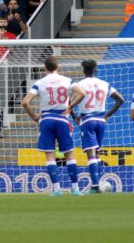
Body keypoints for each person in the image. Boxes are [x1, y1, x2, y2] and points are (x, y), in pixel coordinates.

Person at [21, 56, 86, 196]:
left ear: (45, 68)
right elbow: (82, 93)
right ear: (58, 67)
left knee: (50, 155)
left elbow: (25, 102)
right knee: (69, 154)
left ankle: (56, 189)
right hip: (62, 119)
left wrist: (34, 117)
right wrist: (70, 107)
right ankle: (75, 189)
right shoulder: (67, 80)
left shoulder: (40, 82)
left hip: (47, 119)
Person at [72, 60, 124, 194]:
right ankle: (98, 183)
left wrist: (74, 117)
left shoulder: (79, 85)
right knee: (98, 152)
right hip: (100, 120)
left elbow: (68, 101)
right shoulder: (104, 84)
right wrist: (107, 115)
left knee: (91, 153)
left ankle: (95, 187)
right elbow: (120, 100)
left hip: (87, 120)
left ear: (84, 71)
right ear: (96, 69)